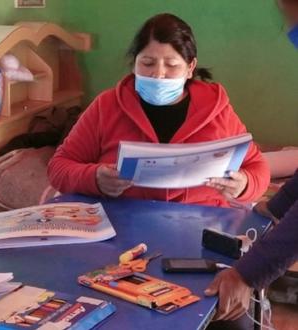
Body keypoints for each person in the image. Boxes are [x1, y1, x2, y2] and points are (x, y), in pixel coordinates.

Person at [47, 13, 269, 207]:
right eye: (147, 63)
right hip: (122, 222)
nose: (158, 74)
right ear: (134, 63)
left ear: (190, 67)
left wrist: (244, 185)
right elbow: (59, 167)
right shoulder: (107, 106)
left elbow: (257, 167)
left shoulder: (217, 110)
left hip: (201, 223)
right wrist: (94, 178)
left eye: (171, 65)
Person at [205, 0, 298, 323]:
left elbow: (255, 164)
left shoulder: (215, 104)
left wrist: (246, 275)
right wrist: (278, 205)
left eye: (290, 16)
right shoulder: (108, 104)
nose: (289, 30)